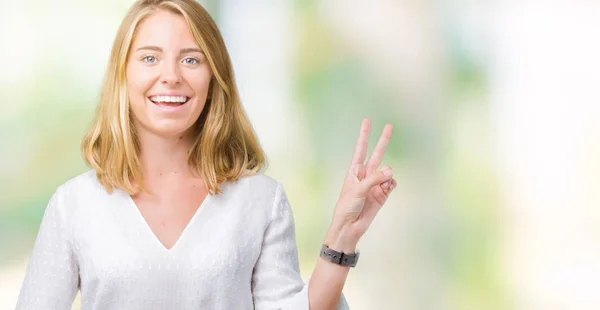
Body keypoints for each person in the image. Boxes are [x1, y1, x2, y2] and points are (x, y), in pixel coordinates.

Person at [15, 0, 397, 309]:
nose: (171, 76)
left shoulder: (260, 201)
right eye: (150, 58)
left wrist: (342, 238)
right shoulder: (74, 205)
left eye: (191, 59)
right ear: (122, 75)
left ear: (214, 79)